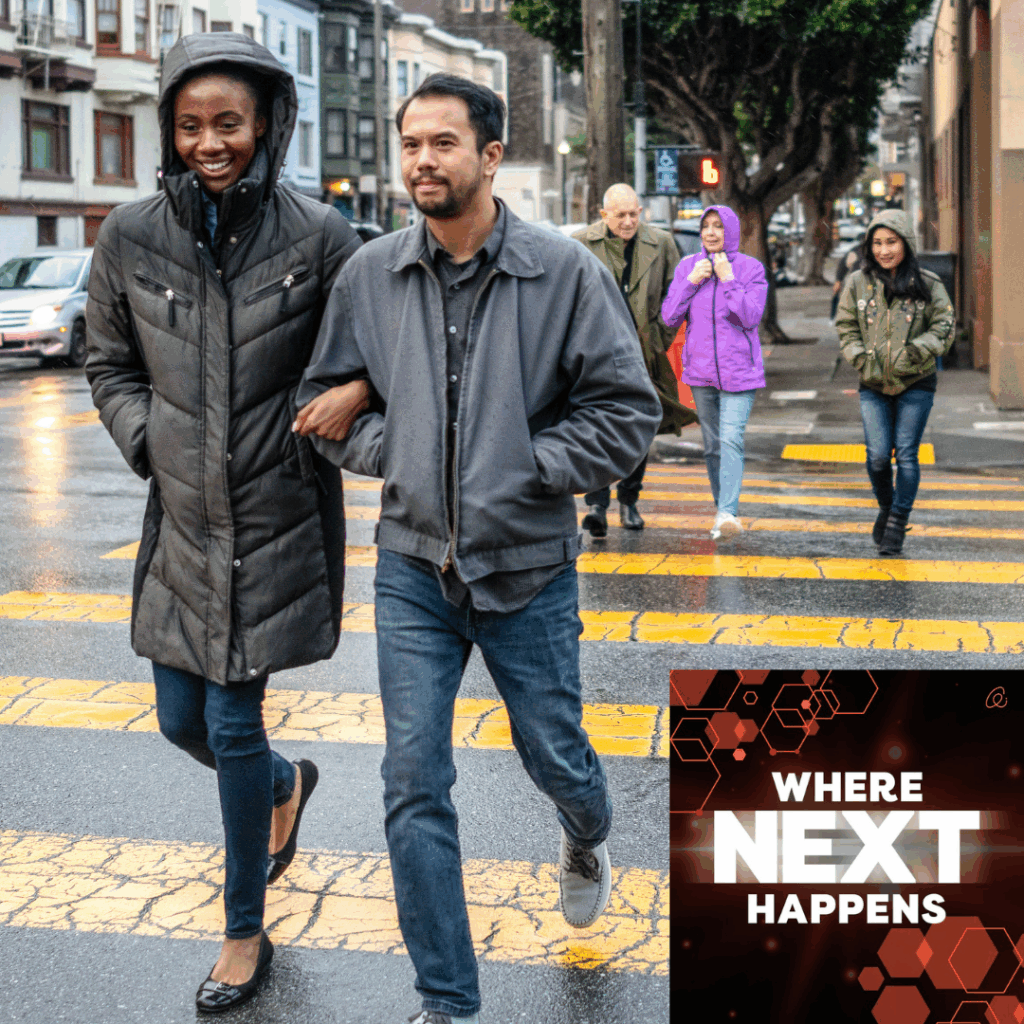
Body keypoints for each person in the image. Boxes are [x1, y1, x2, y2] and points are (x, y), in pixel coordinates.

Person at [295, 73, 660, 1024]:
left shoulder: (562, 271)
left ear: (490, 156)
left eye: (443, 143)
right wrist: (401, 450)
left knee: (557, 755)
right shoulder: (370, 275)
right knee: (413, 781)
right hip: (414, 566)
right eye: (411, 142)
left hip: (529, 567)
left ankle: (586, 831)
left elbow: (627, 412)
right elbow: (329, 404)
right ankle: (448, 1003)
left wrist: (527, 465)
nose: (423, 159)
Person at [85, 33, 368, 1012]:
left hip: (276, 513)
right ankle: (286, 786)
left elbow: (378, 340)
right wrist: (149, 439)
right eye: (193, 124)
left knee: (233, 723)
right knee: (179, 719)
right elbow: (108, 362)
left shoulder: (322, 235)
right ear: (171, 127)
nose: (212, 141)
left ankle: (243, 932)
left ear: (265, 126)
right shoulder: (127, 236)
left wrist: (351, 392)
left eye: (230, 123)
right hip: (182, 516)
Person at [572, 184, 696, 536]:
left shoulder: (661, 242)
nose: (628, 222)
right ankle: (597, 504)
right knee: (598, 428)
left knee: (639, 431)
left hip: (644, 354)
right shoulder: (582, 244)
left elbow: (679, 294)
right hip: (597, 354)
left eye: (634, 214)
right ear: (603, 215)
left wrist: (660, 336)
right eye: (620, 215)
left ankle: (629, 500)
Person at [835, 209, 955, 556]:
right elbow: (846, 326)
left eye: (891, 242)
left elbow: (944, 327)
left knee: (906, 454)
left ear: (906, 243)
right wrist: (860, 357)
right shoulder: (858, 283)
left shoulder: (928, 283)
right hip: (872, 383)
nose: (884, 250)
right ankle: (887, 508)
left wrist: (917, 352)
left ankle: (898, 521)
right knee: (876, 457)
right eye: (877, 243)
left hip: (916, 383)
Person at [661, 205, 768, 540]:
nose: (710, 232)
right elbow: (669, 317)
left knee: (731, 438)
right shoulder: (688, 267)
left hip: (740, 371)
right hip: (702, 370)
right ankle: (721, 508)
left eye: (718, 226)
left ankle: (727, 512)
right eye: (706, 226)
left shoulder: (750, 269)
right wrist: (691, 282)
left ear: (730, 231)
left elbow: (749, 317)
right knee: (711, 446)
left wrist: (728, 279)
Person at [830, 234, 865, 321]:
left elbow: (843, 265)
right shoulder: (856, 251)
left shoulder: (875, 250)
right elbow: (843, 265)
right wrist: (838, 280)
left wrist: (839, 280)